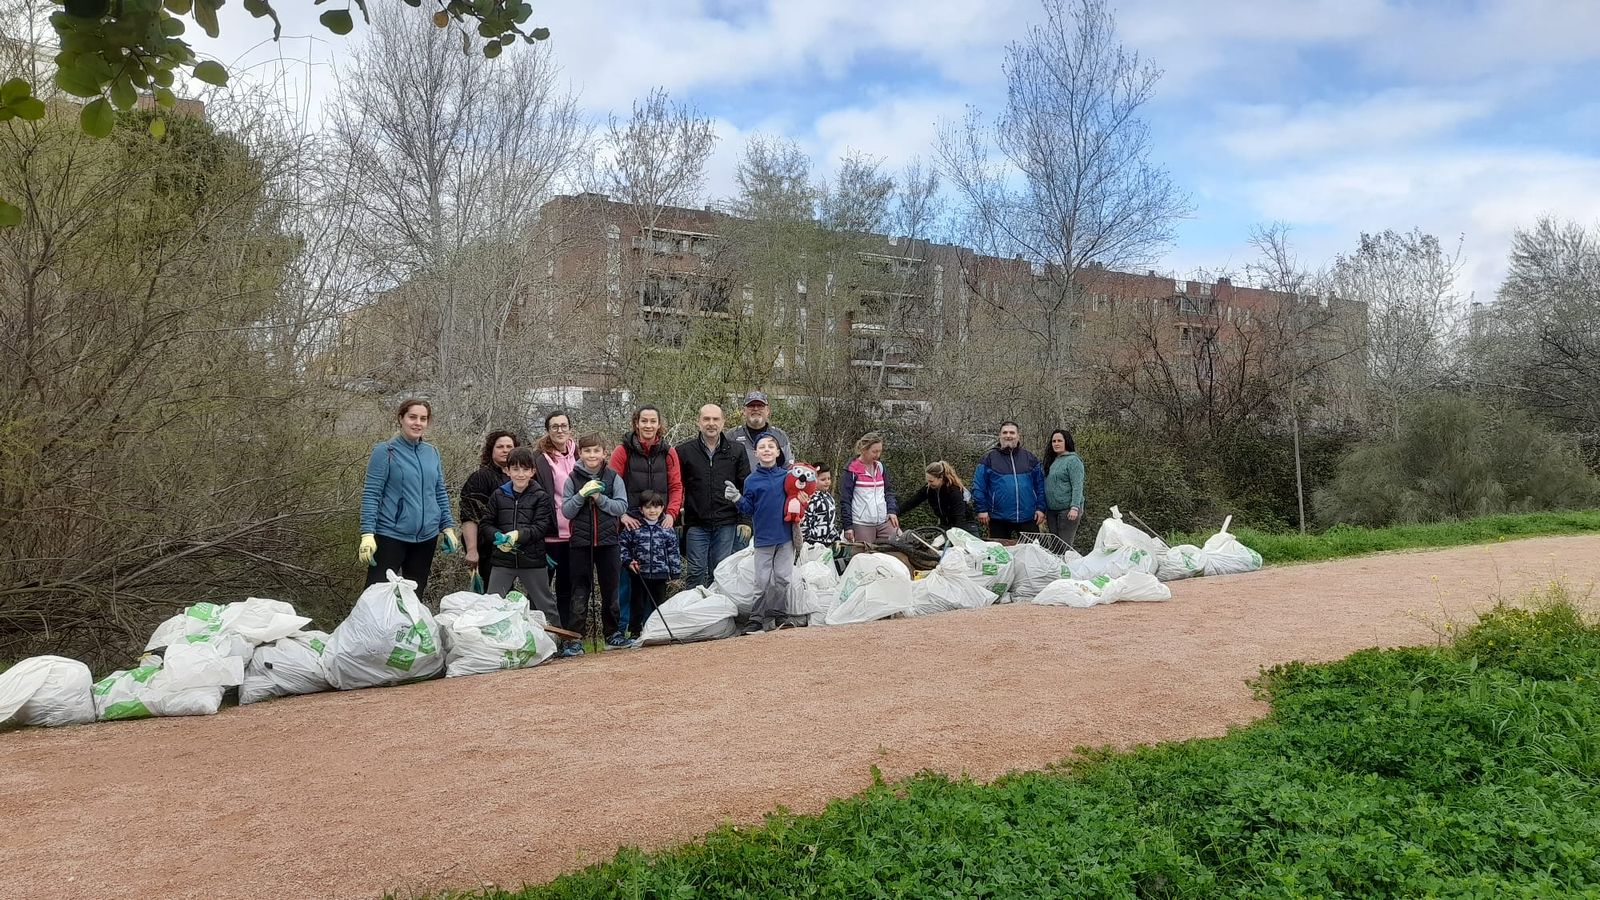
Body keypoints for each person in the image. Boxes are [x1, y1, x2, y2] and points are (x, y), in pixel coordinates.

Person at [358, 398, 461, 594]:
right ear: (401, 419)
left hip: (426, 537)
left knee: (414, 597)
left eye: (423, 419)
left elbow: (439, 492)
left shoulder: (432, 452)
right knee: (376, 595)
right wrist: (367, 534)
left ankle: (408, 626)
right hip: (391, 535)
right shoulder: (385, 451)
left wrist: (447, 527)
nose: (418, 423)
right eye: (412, 417)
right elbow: (372, 494)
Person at [560, 432, 630, 655]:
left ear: (604, 453)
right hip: (581, 543)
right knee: (579, 592)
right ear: (580, 453)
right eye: (587, 451)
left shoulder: (613, 478)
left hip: (609, 542)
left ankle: (613, 634)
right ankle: (575, 639)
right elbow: (567, 511)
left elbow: (621, 507)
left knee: (611, 591)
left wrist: (600, 499)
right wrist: (582, 494)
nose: (592, 455)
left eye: (596, 450)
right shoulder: (572, 479)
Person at [480, 447, 560, 624]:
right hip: (502, 560)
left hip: (532, 560)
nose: (520, 474)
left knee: (545, 605)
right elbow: (486, 524)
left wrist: (518, 535)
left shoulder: (541, 497)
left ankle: (561, 643)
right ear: (507, 470)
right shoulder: (498, 495)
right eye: (515, 469)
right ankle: (490, 646)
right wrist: (498, 536)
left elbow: (540, 528)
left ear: (533, 471)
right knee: (491, 604)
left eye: (525, 469)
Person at [676, 403, 751, 587]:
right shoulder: (684, 452)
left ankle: (716, 613)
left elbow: (746, 487)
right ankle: (692, 612)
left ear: (723, 422)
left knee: (719, 572)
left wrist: (745, 520)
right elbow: (676, 488)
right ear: (698, 422)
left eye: (715, 419)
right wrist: (677, 520)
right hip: (696, 523)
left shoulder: (736, 450)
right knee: (695, 572)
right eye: (706, 419)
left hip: (726, 522)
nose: (711, 423)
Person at [726, 435, 792, 634]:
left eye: (771, 446)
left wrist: (804, 495)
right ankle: (756, 619)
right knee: (762, 581)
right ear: (756, 454)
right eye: (762, 447)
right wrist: (737, 498)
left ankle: (780, 615)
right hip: (763, 539)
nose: (767, 449)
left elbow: (799, 496)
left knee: (783, 578)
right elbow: (748, 508)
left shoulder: (787, 477)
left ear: (778, 452)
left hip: (786, 537)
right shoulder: (751, 480)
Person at [533, 410, 577, 628]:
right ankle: (539, 634)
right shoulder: (540, 459)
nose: (560, 430)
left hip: (575, 535)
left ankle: (566, 636)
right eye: (554, 427)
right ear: (548, 431)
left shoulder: (580, 455)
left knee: (567, 590)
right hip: (549, 535)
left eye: (563, 425)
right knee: (540, 591)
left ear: (570, 428)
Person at [618, 489, 681, 640]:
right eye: (648, 507)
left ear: (661, 508)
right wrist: (627, 561)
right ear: (641, 509)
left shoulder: (667, 528)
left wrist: (675, 571)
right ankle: (634, 631)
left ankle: (658, 630)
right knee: (637, 604)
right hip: (639, 573)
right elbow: (622, 546)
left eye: (656, 507)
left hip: (660, 573)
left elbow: (673, 551)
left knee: (658, 605)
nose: (652, 511)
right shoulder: (634, 527)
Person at [460, 430, 520, 588]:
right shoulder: (480, 477)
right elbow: (469, 516)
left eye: (509, 446)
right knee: (493, 597)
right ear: (491, 450)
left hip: (515, 550)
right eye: (500, 446)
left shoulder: (523, 478)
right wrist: (472, 550)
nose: (505, 450)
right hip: (488, 550)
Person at [972, 421, 1048, 540]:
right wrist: (981, 509)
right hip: (998, 517)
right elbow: (978, 486)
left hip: (1028, 516)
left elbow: (1040, 485)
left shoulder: (1030, 458)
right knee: (999, 555)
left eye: (1012, 432)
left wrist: (1040, 508)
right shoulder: (988, 458)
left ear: (1018, 436)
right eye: (1005, 432)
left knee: (1032, 554)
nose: (1008, 435)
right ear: (1000, 435)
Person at [839, 432, 899, 544]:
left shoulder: (880, 467)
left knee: (896, 545)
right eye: (874, 451)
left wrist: (891, 510)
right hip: (862, 522)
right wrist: (848, 526)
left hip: (883, 520)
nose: (877, 455)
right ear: (863, 450)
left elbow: (888, 491)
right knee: (864, 555)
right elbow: (845, 500)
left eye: (880, 451)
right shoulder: (851, 470)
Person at [898, 461, 979, 533]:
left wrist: (955, 534)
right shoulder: (929, 489)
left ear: (941, 478)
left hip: (965, 525)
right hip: (946, 525)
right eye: (927, 481)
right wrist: (894, 513)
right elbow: (912, 502)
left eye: (931, 481)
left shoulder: (954, 491)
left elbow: (960, 515)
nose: (929, 484)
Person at [1042, 429, 1086, 550]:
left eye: (1059, 441)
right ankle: (1056, 569)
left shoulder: (1073, 461)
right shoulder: (1052, 461)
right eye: (1053, 441)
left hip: (1068, 510)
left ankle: (1067, 568)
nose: (1056, 443)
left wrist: (1075, 507)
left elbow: (1077, 485)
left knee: (1064, 546)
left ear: (1066, 442)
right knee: (1055, 547)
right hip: (1051, 510)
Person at [728, 391, 793, 469]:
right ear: (744, 411)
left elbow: (788, 468)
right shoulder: (732, 436)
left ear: (767, 411)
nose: (755, 409)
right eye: (751, 406)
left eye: (760, 406)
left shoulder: (780, 436)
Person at [800, 463, 840, 545]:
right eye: (823, 479)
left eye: (829, 478)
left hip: (828, 543)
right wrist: (807, 540)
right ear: (813, 479)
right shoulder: (810, 499)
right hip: (812, 544)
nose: (827, 482)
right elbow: (804, 524)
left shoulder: (829, 498)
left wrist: (836, 537)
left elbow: (831, 522)